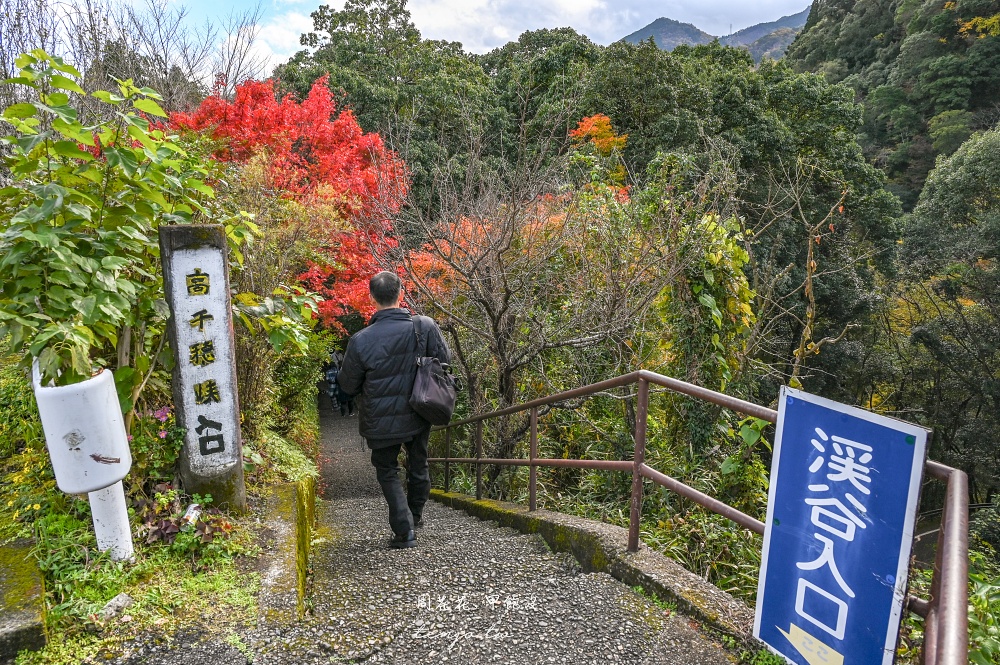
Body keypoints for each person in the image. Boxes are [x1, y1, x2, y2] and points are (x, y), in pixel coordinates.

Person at [336, 271, 450, 549]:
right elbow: (444, 362)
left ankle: (404, 529)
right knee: (418, 461)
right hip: (418, 410)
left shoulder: (361, 341)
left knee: (387, 468)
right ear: (401, 292)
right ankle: (416, 515)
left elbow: (348, 385)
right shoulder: (424, 326)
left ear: (372, 298)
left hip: (380, 418)